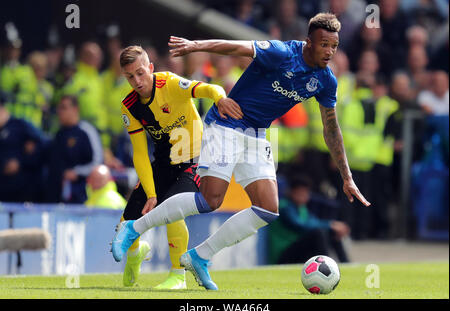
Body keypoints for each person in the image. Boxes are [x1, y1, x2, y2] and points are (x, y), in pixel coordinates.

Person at [112, 13, 370, 290]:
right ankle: (134, 228)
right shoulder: (282, 53)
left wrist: (347, 176)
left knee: (268, 209)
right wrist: (195, 45)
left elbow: (331, 128)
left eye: (334, 45)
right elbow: (237, 46)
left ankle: (200, 256)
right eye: (324, 45)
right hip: (227, 123)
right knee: (211, 200)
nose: (330, 52)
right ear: (309, 42)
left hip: (257, 134)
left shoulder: (326, 80)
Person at [115, 45, 240, 289]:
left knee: (174, 209)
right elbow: (140, 154)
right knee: (126, 223)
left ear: (151, 68)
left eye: (141, 73)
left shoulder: (170, 83)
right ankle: (135, 255)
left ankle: (177, 276)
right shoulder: (129, 106)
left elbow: (208, 88)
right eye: (130, 76)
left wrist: (220, 98)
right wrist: (151, 194)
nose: (137, 81)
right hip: (163, 163)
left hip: (193, 160)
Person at [268, 174, 350, 264]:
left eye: (305, 192)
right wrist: (330, 225)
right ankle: (325, 266)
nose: (303, 195)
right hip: (284, 255)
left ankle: (346, 263)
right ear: (291, 191)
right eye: (299, 192)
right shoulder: (284, 207)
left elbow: (314, 221)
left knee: (332, 232)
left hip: (298, 251)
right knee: (318, 233)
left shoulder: (302, 208)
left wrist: (332, 225)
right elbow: (300, 225)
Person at [45, 95, 103, 203]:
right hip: (58, 196)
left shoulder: (86, 131)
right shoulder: (59, 134)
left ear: (75, 109)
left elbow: (97, 161)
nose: (60, 112)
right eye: (59, 108)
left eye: (64, 108)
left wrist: (77, 172)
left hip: (82, 194)